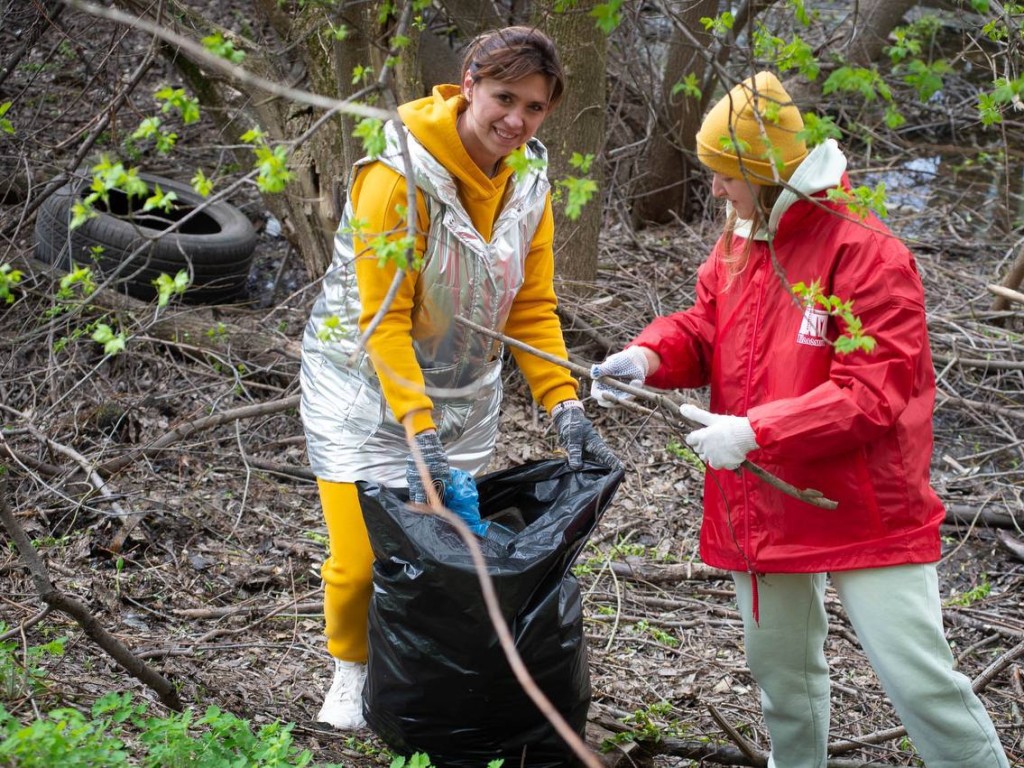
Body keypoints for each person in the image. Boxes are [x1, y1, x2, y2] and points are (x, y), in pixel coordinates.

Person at [591, 71, 1009, 768]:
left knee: (923, 685)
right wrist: (644, 356)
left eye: (727, 175)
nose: (717, 191)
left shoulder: (866, 252)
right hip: (764, 502)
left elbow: (873, 391)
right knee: (782, 681)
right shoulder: (740, 240)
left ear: (766, 168)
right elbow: (704, 327)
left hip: (866, 508)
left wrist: (758, 431)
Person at [300, 26, 620, 731]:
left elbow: (531, 306)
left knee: (438, 553)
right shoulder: (397, 179)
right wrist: (416, 432)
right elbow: (381, 323)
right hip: (361, 393)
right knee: (360, 561)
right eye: (505, 98)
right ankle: (350, 668)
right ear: (468, 83)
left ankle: (411, 675)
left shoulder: (529, 182)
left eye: (535, 107)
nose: (517, 120)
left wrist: (564, 408)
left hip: (461, 403)